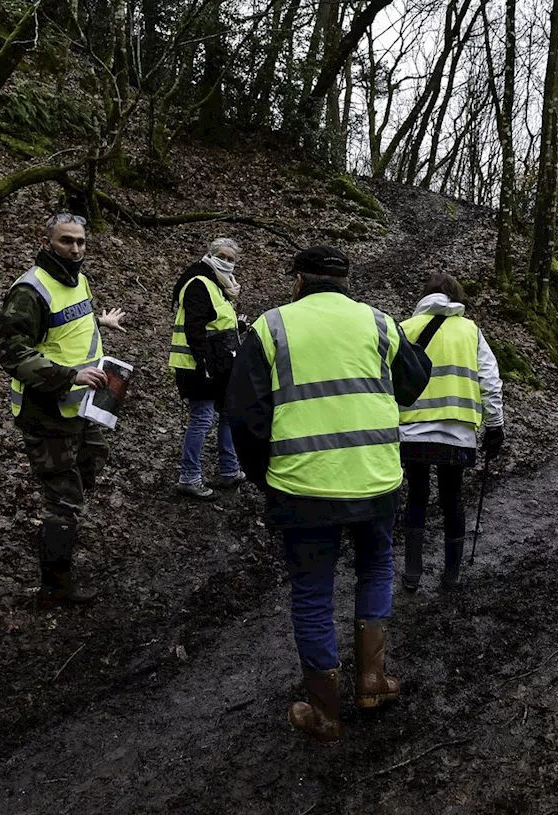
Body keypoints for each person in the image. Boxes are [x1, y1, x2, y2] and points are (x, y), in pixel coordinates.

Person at [226, 245, 430, 743]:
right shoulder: (379, 324)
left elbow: (244, 417)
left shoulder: (271, 327)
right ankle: (373, 681)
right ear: (346, 282)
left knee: (313, 595)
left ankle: (325, 710)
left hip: (303, 486)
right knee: (376, 568)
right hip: (375, 481)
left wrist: (264, 475)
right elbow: (414, 382)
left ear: (298, 280)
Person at [0, 212, 127, 608]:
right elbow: (12, 353)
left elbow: (69, 326)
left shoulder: (78, 279)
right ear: (47, 240)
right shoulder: (29, 291)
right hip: (46, 409)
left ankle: (58, 528)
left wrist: (100, 322)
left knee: (91, 464)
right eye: (66, 241)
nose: (75, 248)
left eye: (81, 241)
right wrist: (70, 375)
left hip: (82, 408)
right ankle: (55, 588)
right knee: (64, 496)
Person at [398, 272, 505, 591]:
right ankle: (451, 574)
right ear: (457, 296)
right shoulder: (470, 330)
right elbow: (489, 378)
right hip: (457, 431)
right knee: (452, 498)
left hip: (412, 431)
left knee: (417, 496)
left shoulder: (405, 328)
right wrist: (495, 425)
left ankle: (413, 573)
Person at [168, 238, 247, 499]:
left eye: (231, 258)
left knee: (226, 414)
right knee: (202, 418)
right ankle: (189, 477)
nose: (226, 261)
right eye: (222, 256)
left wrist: (239, 328)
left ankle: (230, 469)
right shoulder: (199, 283)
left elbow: (217, 323)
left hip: (220, 364)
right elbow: (195, 328)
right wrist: (203, 364)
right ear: (210, 255)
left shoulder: (219, 285)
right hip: (198, 366)